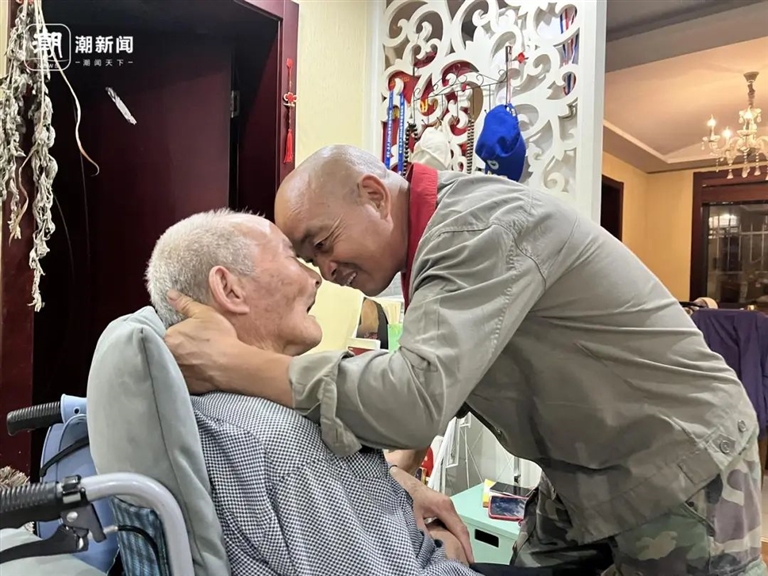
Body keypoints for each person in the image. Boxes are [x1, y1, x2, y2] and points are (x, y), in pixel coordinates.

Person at [164, 147, 766, 575]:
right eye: (304, 258)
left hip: (675, 456)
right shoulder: (436, 246)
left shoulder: (474, 228)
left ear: (375, 196)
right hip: (583, 469)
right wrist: (402, 479)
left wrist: (237, 364)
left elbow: (414, 396)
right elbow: (438, 379)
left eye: (321, 245)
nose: (322, 273)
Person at [147, 209, 487, 576]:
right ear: (230, 289)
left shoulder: (206, 413)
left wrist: (397, 482)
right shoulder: (282, 442)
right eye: (292, 257)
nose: (317, 277)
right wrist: (445, 552)